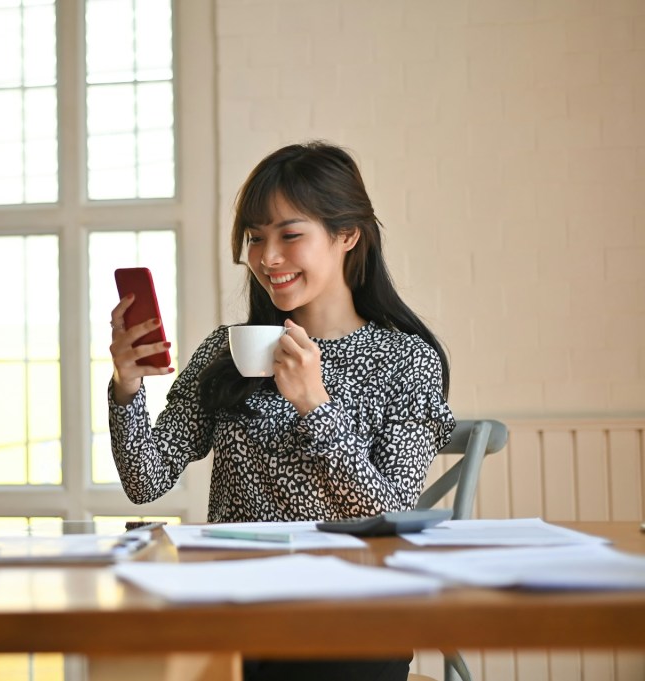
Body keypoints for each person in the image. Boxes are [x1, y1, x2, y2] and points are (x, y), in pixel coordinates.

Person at [107, 141, 455, 681]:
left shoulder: (406, 358)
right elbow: (145, 480)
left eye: (290, 235)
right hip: (232, 609)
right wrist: (127, 386)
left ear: (347, 235)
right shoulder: (227, 351)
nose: (267, 258)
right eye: (254, 238)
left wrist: (315, 405)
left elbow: (389, 518)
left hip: (352, 614)